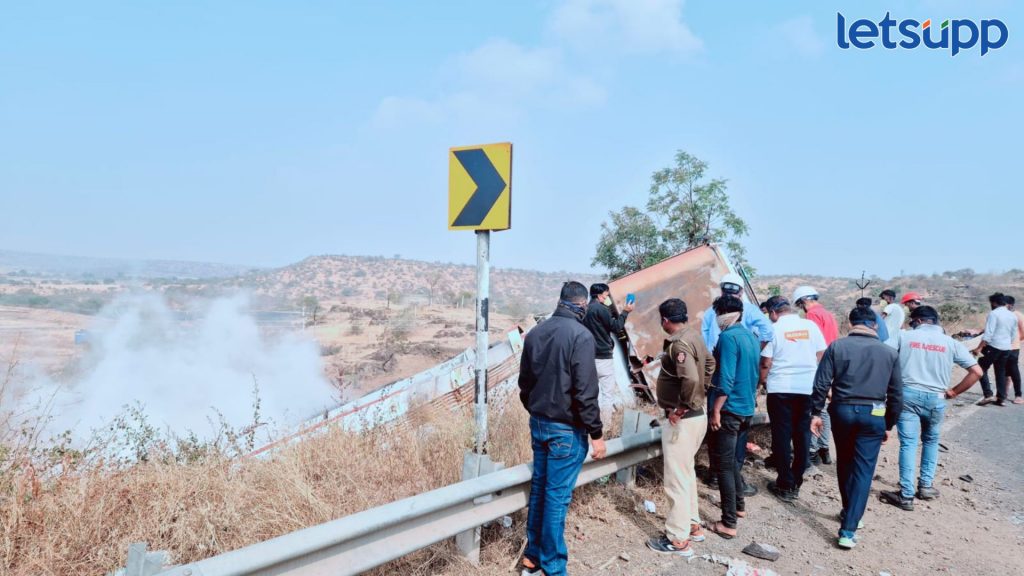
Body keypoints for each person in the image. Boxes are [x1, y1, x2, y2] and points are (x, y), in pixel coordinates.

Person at [518, 281, 606, 576]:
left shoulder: (535, 333)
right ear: (582, 305)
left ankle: (533, 558)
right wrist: (596, 434)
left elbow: (524, 384)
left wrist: (536, 410)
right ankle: (554, 567)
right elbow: (585, 392)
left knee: (540, 492)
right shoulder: (581, 336)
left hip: (539, 423)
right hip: (566, 430)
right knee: (556, 498)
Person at [811, 306, 902, 550]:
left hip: (842, 411)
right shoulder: (889, 353)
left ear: (850, 323)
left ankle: (848, 510)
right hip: (874, 413)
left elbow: (821, 384)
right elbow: (896, 395)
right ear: (875, 325)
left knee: (845, 462)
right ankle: (849, 529)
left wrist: (815, 413)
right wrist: (889, 424)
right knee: (863, 470)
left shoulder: (837, 347)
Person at [879, 306, 982, 511]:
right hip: (937, 398)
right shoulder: (951, 343)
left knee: (908, 444)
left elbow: (881, 356)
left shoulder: (904, 336)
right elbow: (977, 372)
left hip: (907, 396)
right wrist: (953, 392)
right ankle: (926, 486)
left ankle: (906, 494)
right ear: (935, 321)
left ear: (917, 321)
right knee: (931, 441)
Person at [646, 298, 715, 557]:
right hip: (697, 417)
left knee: (675, 480)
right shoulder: (694, 336)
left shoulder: (678, 344)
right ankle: (693, 525)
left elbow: (691, 378)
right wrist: (699, 397)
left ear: (665, 320)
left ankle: (677, 539)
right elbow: (710, 365)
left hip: (683, 421)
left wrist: (683, 407)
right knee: (686, 474)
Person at [700, 272, 772, 491]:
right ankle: (731, 479)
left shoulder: (713, 312)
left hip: (719, 372)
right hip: (739, 375)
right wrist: (753, 350)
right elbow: (768, 332)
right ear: (741, 291)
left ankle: (720, 476)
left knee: (719, 428)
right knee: (735, 430)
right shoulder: (748, 312)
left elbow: (705, 343)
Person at [759, 296, 827, 503]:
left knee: (781, 435)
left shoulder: (774, 329)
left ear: (773, 313)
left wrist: (762, 381)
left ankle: (784, 482)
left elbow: (766, 362)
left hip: (780, 390)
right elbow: (821, 354)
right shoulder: (810, 326)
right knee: (802, 435)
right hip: (807, 389)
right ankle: (796, 481)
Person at [706, 295, 760, 539]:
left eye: (717, 314)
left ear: (723, 314)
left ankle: (728, 523)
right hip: (746, 408)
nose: (716, 319)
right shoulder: (750, 336)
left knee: (724, 466)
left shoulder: (728, 338)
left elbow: (726, 379)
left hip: (729, 409)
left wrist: (716, 409)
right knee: (732, 463)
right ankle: (738, 506)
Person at [793, 286, 839, 467]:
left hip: (818, 365)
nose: (801, 308)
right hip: (831, 364)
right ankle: (824, 449)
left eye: (800, 304)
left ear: (804, 301)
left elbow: (811, 343)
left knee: (814, 409)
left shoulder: (812, 316)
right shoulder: (828, 314)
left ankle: (811, 451)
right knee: (824, 409)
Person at [583, 283, 634, 409]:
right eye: (606, 296)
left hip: (589, 356)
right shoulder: (601, 309)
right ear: (600, 296)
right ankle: (606, 420)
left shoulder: (584, 310)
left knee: (594, 393)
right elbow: (616, 327)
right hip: (603, 356)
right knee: (607, 394)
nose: (607, 298)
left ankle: (596, 417)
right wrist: (625, 312)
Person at [973, 292, 1018, 407]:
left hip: (993, 346)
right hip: (1007, 348)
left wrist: (979, 348)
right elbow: (1013, 334)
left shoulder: (994, 314)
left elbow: (988, 334)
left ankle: (988, 395)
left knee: (981, 368)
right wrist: (1007, 343)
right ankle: (1001, 398)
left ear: (993, 303)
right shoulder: (1012, 315)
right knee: (1001, 372)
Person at [1005, 296, 1024, 404]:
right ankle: (1003, 393)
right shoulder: (1001, 315)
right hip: (1001, 347)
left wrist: (1016, 340)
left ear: (1010, 305)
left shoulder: (1018, 315)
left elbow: (1023, 332)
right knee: (1003, 371)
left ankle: (1018, 395)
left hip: (1013, 347)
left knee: (1013, 370)